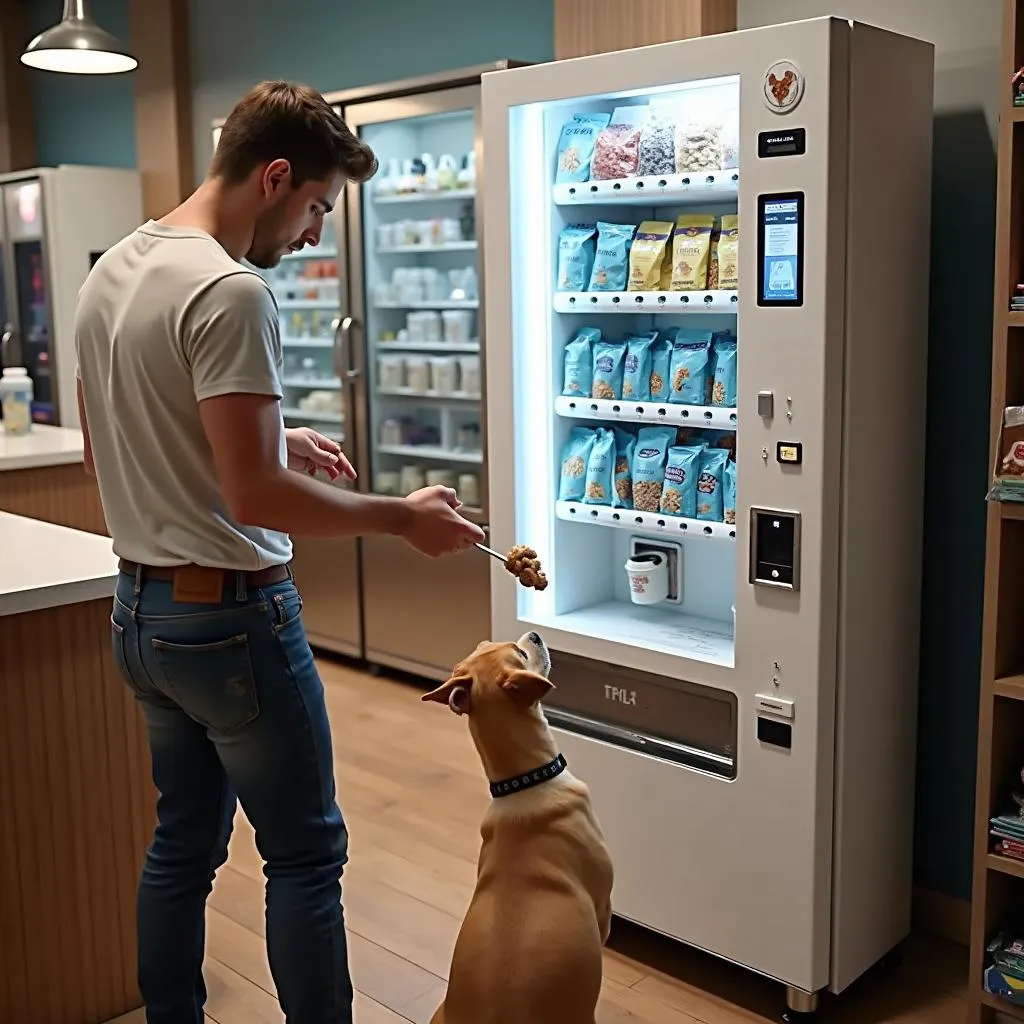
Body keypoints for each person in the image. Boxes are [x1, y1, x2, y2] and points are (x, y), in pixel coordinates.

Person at [74, 80, 485, 1024]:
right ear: (275, 177)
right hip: (231, 619)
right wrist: (400, 519)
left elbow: (117, 445)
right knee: (304, 855)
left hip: (140, 614)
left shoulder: (116, 267)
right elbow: (252, 496)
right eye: (316, 209)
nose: (313, 235)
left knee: (181, 844)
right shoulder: (229, 289)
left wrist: (268, 437)